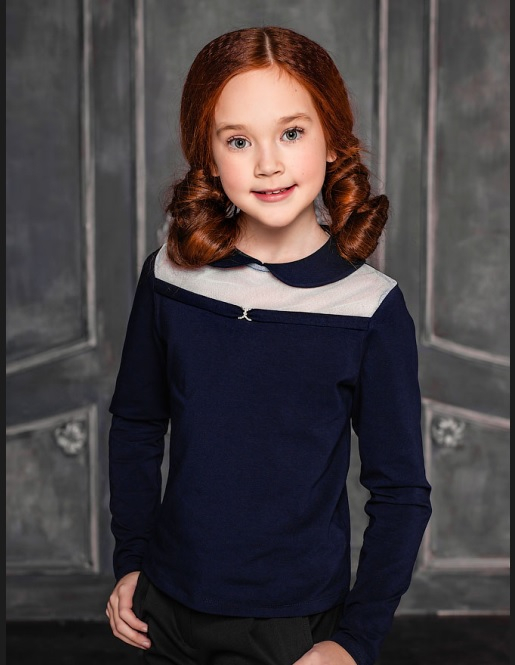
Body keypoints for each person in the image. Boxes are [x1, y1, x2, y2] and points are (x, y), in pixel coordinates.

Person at [105, 26, 432, 665]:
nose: (267, 165)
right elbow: (137, 426)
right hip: (164, 611)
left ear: (332, 140)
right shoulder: (169, 276)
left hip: (293, 627)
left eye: (291, 133)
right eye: (238, 140)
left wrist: (354, 640)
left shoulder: (369, 308)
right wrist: (132, 560)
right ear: (207, 155)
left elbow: (400, 493)